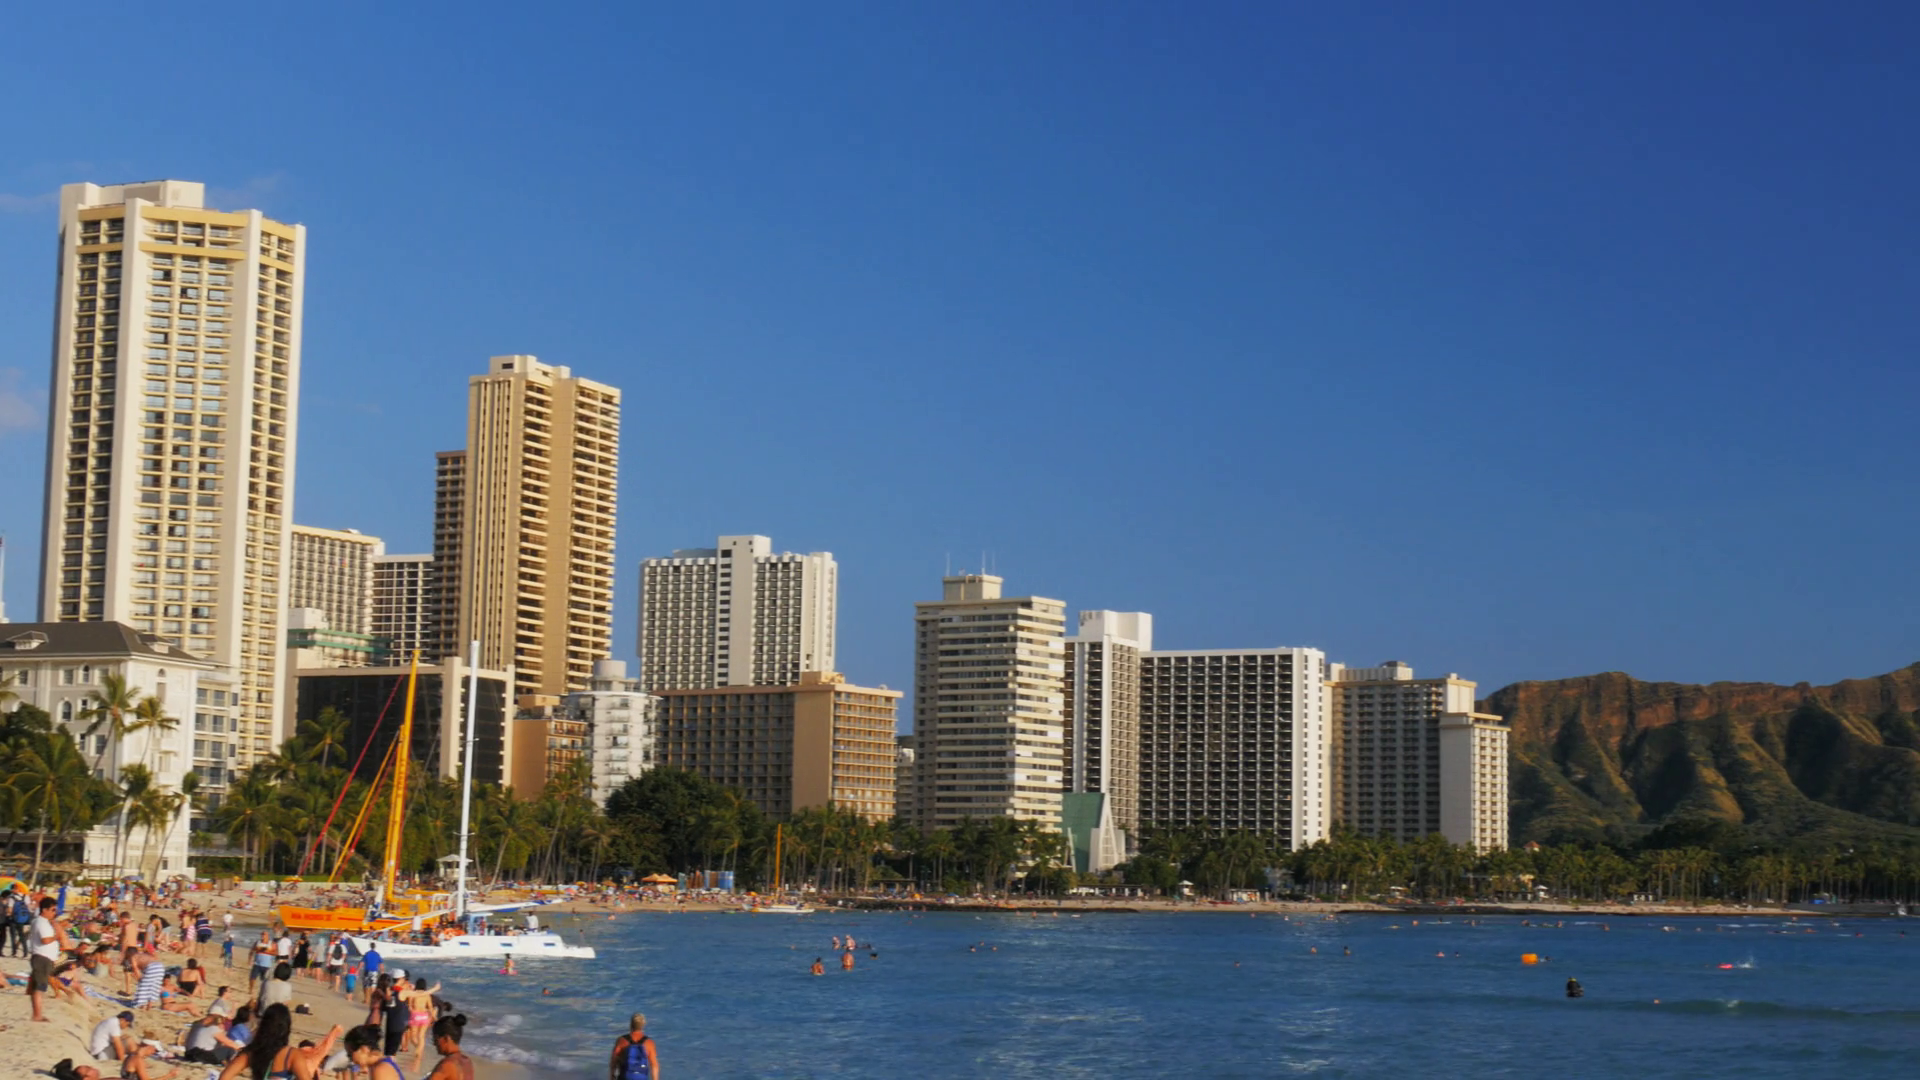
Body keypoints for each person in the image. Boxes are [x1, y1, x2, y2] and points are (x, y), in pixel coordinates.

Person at [30, 895, 70, 1023]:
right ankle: (37, 1015)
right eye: (53, 910)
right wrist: (57, 936)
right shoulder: (41, 922)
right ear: (44, 910)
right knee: (40, 987)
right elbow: (46, 940)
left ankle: (37, 1014)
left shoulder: (43, 922)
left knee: (39, 986)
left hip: (44, 958)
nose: (54, 913)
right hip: (42, 957)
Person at [182, 1010, 246, 1066]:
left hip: (188, 1054)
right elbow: (230, 1043)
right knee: (229, 1050)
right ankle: (232, 1066)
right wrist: (243, 1049)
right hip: (200, 1055)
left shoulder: (197, 1024)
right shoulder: (214, 1029)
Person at [608, 1013, 658, 1080]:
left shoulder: (621, 1040)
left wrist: (612, 1076)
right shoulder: (649, 1043)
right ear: (643, 1024)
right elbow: (654, 1065)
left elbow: (613, 1061)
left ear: (631, 1024)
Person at [425, 1015, 473, 1080]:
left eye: (435, 1039)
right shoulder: (467, 1061)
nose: (434, 1044)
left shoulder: (447, 1064)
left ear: (446, 1038)